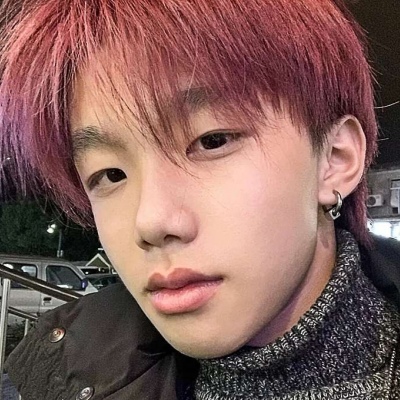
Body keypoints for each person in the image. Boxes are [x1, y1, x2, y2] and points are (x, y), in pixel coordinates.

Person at [1, 0, 400, 399]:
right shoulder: (53, 381)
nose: (151, 222)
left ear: (334, 159)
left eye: (212, 141)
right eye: (110, 174)